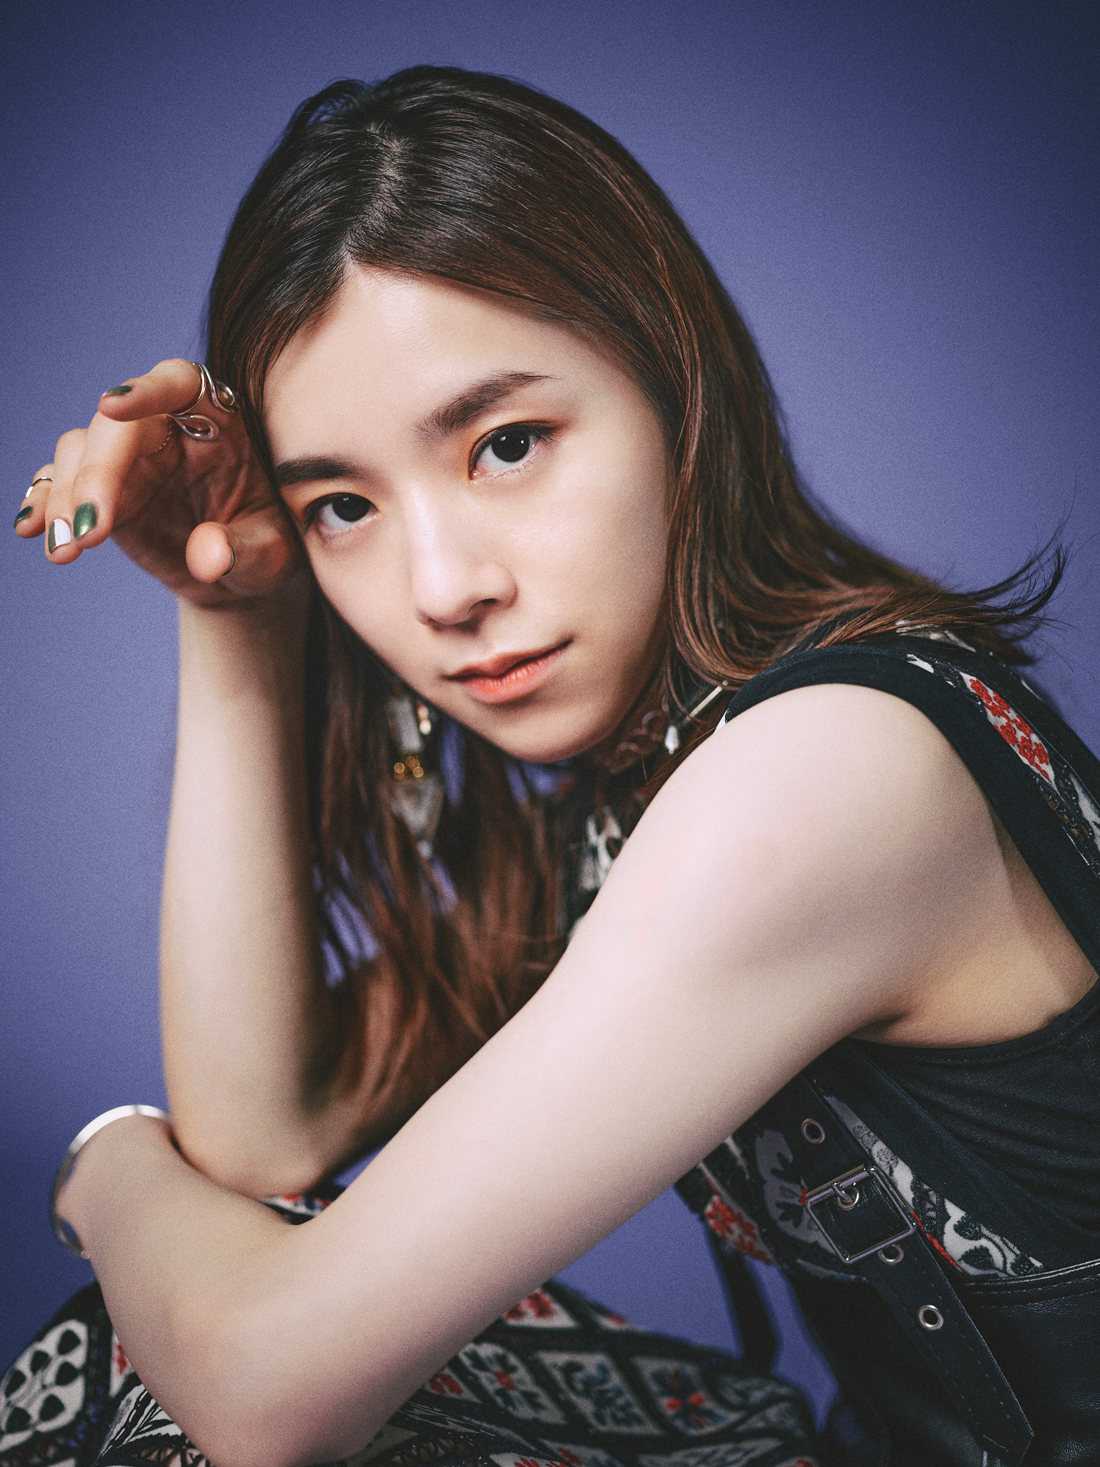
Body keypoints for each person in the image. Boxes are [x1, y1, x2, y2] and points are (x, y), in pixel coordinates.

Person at [5, 66, 1099, 1467]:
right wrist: (231, 607)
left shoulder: (828, 773)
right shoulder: (634, 783)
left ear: (673, 389)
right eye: (341, 505)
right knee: (183, 1325)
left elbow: (266, 1393)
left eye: (506, 444)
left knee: (166, 1366)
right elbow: (265, 1137)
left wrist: (102, 1163)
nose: (444, 587)